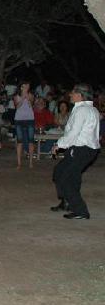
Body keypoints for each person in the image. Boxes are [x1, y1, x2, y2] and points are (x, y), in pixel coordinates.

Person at [49, 84, 100, 220]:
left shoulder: (82, 110)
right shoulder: (89, 109)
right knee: (60, 171)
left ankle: (81, 211)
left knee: (66, 179)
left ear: (79, 95)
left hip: (81, 149)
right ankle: (66, 202)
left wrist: (58, 145)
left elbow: (73, 133)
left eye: (72, 92)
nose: (70, 95)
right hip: (83, 149)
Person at [13, 81, 36, 169]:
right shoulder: (16, 96)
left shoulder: (31, 95)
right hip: (19, 119)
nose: (26, 87)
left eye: (27, 85)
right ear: (21, 87)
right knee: (19, 141)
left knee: (31, 140)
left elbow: (31, 105)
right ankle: (19, 163)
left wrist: (28, 98)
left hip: (30, 119)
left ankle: (30, 162)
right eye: (24, 85)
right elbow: (17, 107)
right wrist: (23, 97)